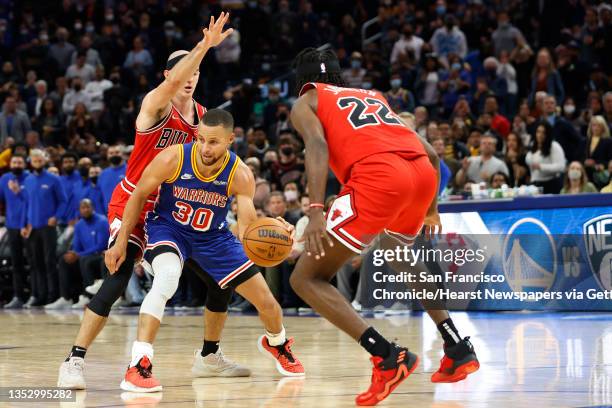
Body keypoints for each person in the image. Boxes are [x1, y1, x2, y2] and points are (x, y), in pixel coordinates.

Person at [288, 48, 479, 406]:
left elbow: (316, 145)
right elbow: (434, 156)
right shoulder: (372, 96)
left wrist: (315, 209)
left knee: (305, 278)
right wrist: (431, 211)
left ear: (302, 80)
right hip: (421, 174)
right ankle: (456, 345)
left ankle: (388, 358)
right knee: (398, 251)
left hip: (379, 177)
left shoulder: (307, 101)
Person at [57, 12, 236, 390]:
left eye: (196, 73)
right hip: (133, 202)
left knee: (223, 279)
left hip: (170, 209)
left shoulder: (205, 119)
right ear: (169, 77)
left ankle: (209, 355)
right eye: (183, 72)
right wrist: (205, 45)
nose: (189, 79)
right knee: (119, 275)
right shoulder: (156, 105)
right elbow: (173, 81)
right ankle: (74, 360)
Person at [105, 109, 304, 392]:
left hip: (213, 236)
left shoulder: (240, 174)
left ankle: (276, 343)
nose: (205, 147)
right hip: (169, 229)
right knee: (167, 278)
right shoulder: (174, 157)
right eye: (201, 139)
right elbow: (138, 194)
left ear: (230, 140)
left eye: (214, 142)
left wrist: (275, 231)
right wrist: (121, 239)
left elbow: (248, 226)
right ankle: (139, 364)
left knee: (269, 304)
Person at [23, 149, 67, 308]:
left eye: (40, 160)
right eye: (35, 160)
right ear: (31, 161)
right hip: (33, 227)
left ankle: (52, 295)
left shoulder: (54, 179)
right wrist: (25, 223)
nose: (37, 162)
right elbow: (27, 204)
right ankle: (39, 296)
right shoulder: (28, 180)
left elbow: (63, 201)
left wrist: (56, 216)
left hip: (48, 227)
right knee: (36, 262)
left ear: (45, 160)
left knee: (49, 261)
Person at [55, 199, 109, 310]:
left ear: (92, 208)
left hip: (101, 255)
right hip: (85, 255)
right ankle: (66, 298)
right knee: (64, 260)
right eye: (82, 208)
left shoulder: (102, 221)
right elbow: (76, 245)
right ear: (79, 210)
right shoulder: (79, 225)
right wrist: (73, 253)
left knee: (85, 260)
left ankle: (88, 296)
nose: (85, 210)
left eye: (87, 207)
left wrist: (79, 255)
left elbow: (101, 245)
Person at [0, 155, 29, 309]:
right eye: (14, 162)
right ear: (10, 164)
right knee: (16, 263)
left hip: (28, 226)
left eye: (20, 162)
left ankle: (35, 295)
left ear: (25, 164)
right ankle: (18, 296)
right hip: (12, 225)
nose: (17, 164)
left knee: (33, 262)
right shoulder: (5, 178)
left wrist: (19, 191)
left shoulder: (30, 178)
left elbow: (32, 200)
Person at [525, 121, 567, 194]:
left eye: (543, 133)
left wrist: (541, 167)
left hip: (551, 185)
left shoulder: (554, 146)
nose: (540, 135)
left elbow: (561, 166)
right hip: (535, 184)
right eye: (538, 132)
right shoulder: (532, 145)